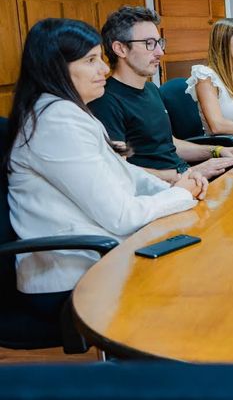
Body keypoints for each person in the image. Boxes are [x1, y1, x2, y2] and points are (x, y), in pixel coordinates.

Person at [4, 18, 205, 296]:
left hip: (103, 253)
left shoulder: (69, 111)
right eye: (90, 60)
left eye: (100, 57)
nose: (103, 68)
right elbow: (121, 217)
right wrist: (180, 195)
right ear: (56, 69)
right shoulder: (56, 121)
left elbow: (123, 171)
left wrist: (175, 186)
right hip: (74, 273)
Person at [90, 7, 233, 183]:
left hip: (185, 179)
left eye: (159, 43)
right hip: (161, 194)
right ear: (120, 49)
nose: (160, 53)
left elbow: (170, 144)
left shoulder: (151, 90)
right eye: (149, 43)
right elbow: (118, 172)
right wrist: (182, 176)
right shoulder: (106, 101)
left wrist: (216, 151)